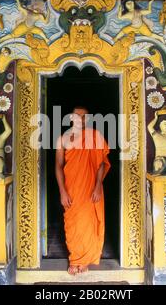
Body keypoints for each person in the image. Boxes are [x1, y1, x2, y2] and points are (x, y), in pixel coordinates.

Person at [55, 106, 110, 275]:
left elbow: (101, 164)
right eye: (77, 116)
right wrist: (62, 191)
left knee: (88, 222)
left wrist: (98, 186)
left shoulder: (96, 136)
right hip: (71, 188)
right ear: (71, 118)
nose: (81, 119)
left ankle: (84, 260)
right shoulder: (63, 138)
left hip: (91, 187)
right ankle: (75, 258)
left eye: (84, 116)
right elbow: (58, 166)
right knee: (72, 223)